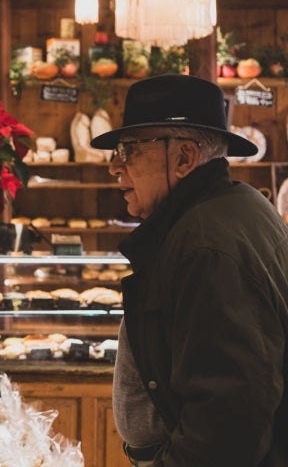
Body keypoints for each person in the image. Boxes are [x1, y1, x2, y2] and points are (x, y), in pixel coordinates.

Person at [90, 74, 288, 467]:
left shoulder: (207, 245)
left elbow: (226, 423)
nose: (114, 166)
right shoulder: (233, 207)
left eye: (128, 150)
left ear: (183, 157)